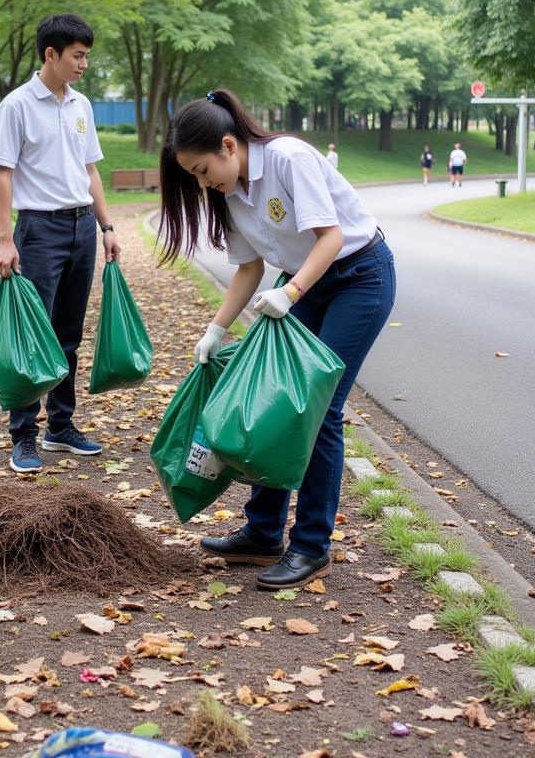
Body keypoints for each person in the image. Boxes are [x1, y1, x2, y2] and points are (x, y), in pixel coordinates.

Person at [158, 89, 395, 590]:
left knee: (318, 407)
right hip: (302, 282)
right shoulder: (231, 195)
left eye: (203, 170)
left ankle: (311, 546)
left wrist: (290, 292)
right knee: (270, 401)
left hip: (359, 276)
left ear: (228, 145)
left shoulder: (287, 159)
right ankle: (263, 532)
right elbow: (248, 268)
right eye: (195, 177)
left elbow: (330, 238)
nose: (204, 183)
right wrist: (215, 330)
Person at [0, 14, 120, 474]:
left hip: (82, 228)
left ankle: (60, 427)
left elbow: (91, 171)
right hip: (38, 231)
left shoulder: (81, 104)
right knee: (33, 337)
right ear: (51, 54)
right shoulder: (17, 106)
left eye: (86, 55)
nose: (83, 64)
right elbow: (2, 173)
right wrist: (5, 239)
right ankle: (23, 435)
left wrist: (106, 227)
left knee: (68, 333)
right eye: (77, 56)